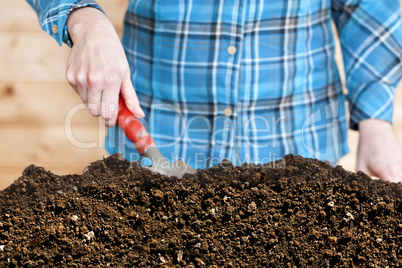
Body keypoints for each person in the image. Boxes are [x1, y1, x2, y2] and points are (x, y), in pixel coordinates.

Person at [27, 0, 402, 182]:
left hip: (299, 142)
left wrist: (375, 118)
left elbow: (367, 6)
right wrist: (83, 17)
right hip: (163, 133)